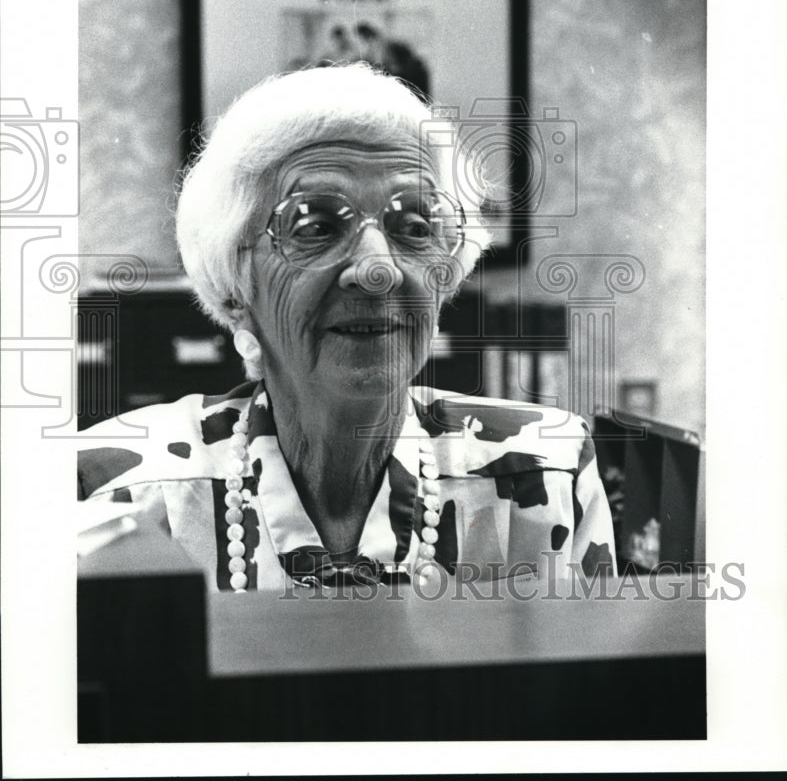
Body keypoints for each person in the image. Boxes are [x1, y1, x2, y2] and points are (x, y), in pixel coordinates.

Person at [77, 63, 616, 592]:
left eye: (415, 227)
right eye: (315, 226)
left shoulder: (549, 471)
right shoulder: (113, 492)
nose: (378, 270)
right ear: (237, 286)